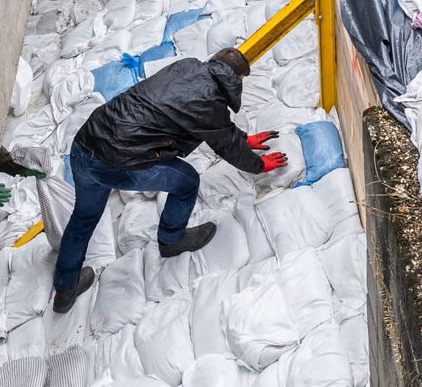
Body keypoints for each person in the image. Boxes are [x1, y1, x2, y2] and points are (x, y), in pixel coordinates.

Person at [51, 48, 288, 313]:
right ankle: (171, 240)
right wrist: (258, 165)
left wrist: (243, 139)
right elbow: (225, 143)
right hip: (116, 161)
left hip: (86, 144)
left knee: (84, 217)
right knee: (186, 182)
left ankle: (65, 288)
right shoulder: (210, 100)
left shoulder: (187, 66)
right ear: (237, 79)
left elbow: (217, 127)